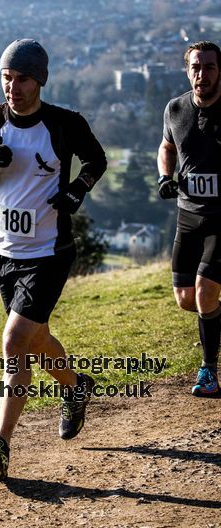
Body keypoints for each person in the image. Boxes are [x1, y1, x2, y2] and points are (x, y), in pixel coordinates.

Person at [0, 39, 107, 481]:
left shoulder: (63, 124)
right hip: (4, 253)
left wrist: (77, 191)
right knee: (36, 341)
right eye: (6, 77)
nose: (13, 86)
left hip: (50, 253)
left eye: (21, 78)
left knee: (14, 341)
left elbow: (95, 160)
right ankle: (76, 387)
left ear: (39, 79)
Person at [157, 40, 221, 396]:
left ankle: (208, 372)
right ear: (188, 71)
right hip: (188, 216)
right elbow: (166, 146)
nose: (202, 74)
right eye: (196, 67)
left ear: (219, 71)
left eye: (210, 67)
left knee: (205, 292)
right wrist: (166, 177)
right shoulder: (176, 109)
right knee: (186, 299)